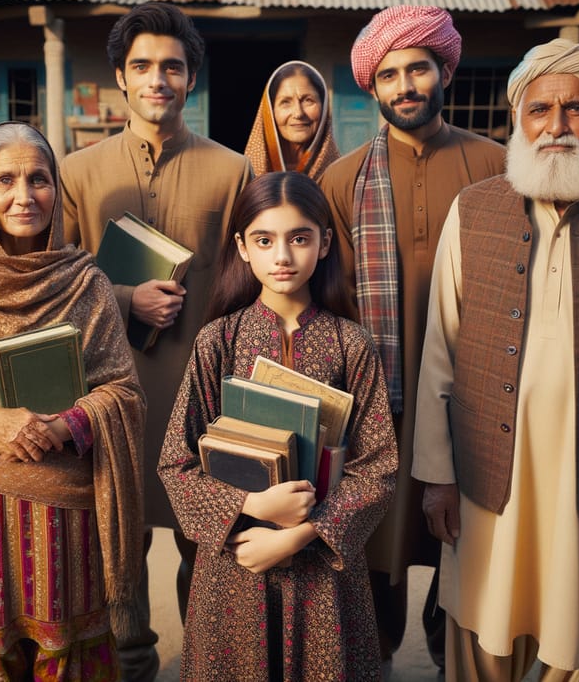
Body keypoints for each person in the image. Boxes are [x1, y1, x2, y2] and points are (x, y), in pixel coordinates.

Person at [413, 38, 579, 681]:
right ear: (519, 119)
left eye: (578, 109)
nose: (557, 127)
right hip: (487, 478)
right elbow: (440, 353)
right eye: (540, 109)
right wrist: (436, 475)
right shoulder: (474, 210)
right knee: (482, 630)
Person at [59, 1, 253, 681]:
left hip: (203, 399)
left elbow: (248, 289)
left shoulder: (231, 173)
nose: (157, 78)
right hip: (111, 394)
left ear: (191, 76)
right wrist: (120, 297)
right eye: (141, 65)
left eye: (172, 65)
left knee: (207, 541)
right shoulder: (77, 172)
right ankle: (132, 664)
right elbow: (53, 284)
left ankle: (203, 660)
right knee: (119, 543)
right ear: (120, 74)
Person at [318, 4, 506, 665]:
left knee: (469, 560)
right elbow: (330, 307)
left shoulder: (498, 169)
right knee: (378, 554)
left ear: (444, 70)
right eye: (390, 74)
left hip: (478, 402)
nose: (405, 85)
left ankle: (452, 654)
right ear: (371, 86)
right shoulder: (340, 183)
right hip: (380, 407)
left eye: (418, 68)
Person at [157, 171, 398, 680]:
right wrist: (249, 505)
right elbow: (175, 463)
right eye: (264, 240)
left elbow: (377, 470)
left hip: (323, 572)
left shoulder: (352, 345)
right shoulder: (217, 341)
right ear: (243, 247)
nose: (282, 256)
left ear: (325, 243)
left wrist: (298, 535)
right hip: (236, 560)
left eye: (299, 238)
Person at [0, 122, 145, 680]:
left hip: (68, 519)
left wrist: (69, 425)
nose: (24, 195)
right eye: (5, 180)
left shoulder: (87, 282)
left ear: (58, 189)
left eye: (39, 179)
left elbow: (122, 392)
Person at [244, 60, 340, 180]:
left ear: (324, 107)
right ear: (270, 111)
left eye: (308, 100)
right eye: (285, 102)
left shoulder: (341, 177)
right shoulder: (246, 176)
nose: (298, 113)